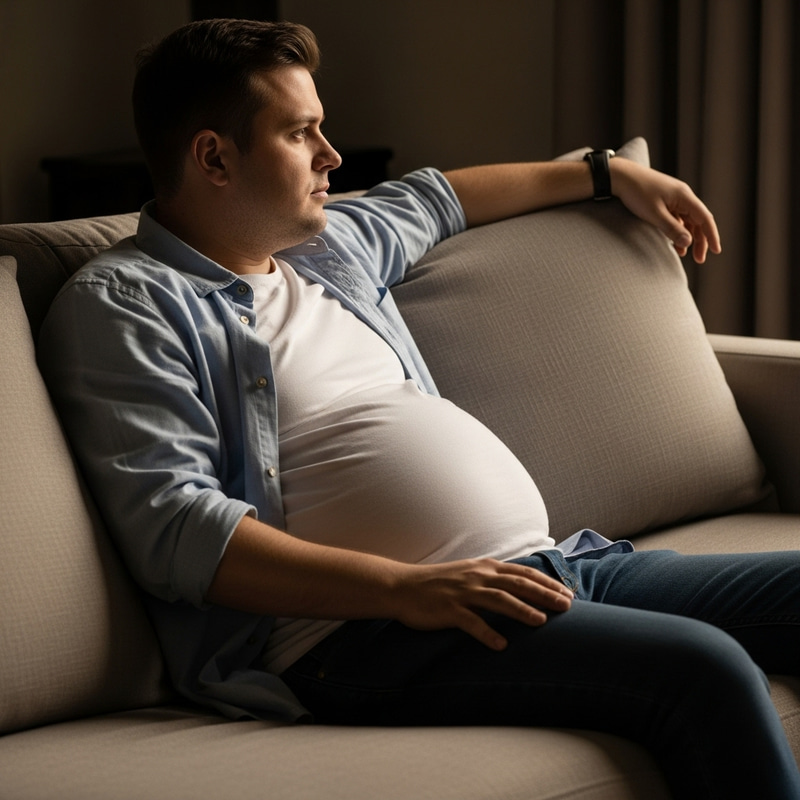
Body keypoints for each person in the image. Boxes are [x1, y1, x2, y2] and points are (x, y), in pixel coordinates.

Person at [37, 18, 800, 799]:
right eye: (301, 134)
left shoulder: (330, 246)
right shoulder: (127, 305)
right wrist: (405, 589)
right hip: (366, 636)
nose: (332, 156)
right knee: (706, 672)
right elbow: (178, 530)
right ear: (213, 157)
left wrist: (606, 174)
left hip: (556, 568)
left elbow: (441, 198)